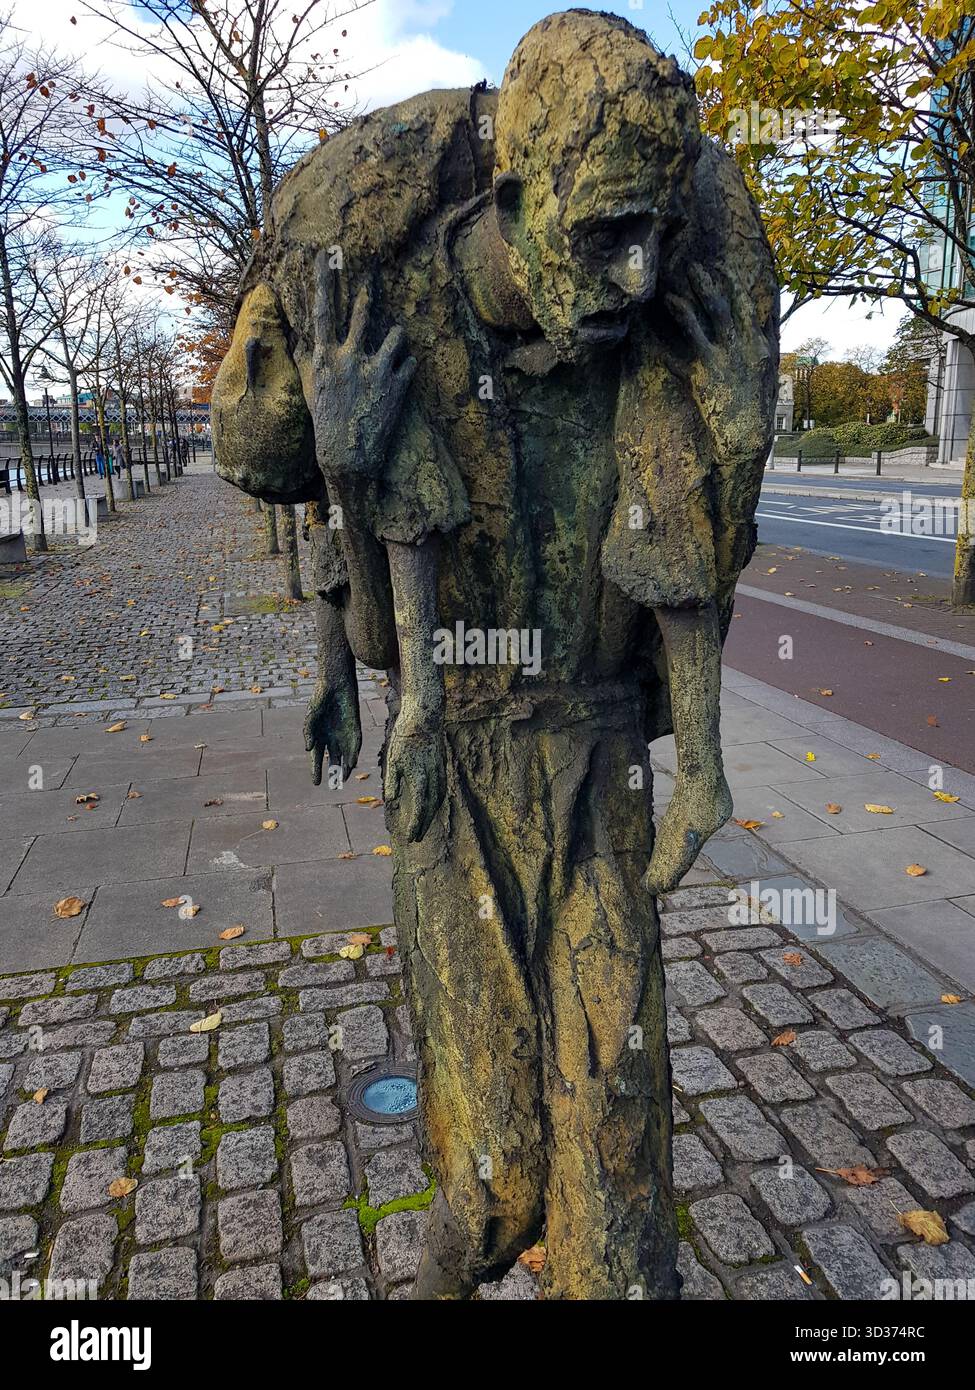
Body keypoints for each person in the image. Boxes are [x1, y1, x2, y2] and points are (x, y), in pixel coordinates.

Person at [212, 10, 777, 1299]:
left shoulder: (650, 318)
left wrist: (704, 760)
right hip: (456, 769)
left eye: (653, 234)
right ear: (518, 198)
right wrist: (346, 617)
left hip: (594, 762)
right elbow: (332, 499)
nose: (635, 273)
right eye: (605, 233)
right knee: (495, 1180)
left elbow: (681, 544)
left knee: (619, 1176)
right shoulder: (398, 298)